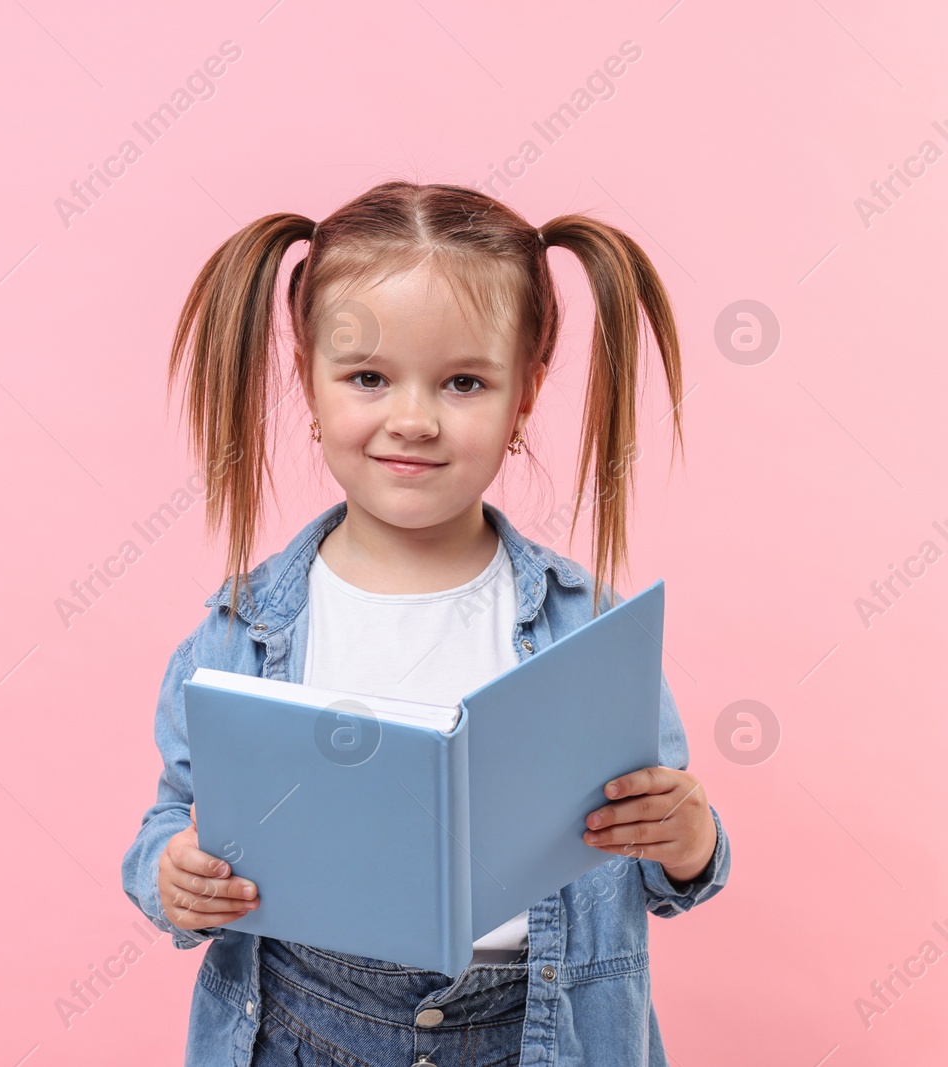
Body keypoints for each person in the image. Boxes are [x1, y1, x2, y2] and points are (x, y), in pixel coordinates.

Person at [120, 181, 731, 1067]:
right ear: (309, 382)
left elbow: (664, 846)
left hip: (535, 1029)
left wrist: (688, 838)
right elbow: (174, 816)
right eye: (368, 377)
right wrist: (172, 875)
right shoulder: (243, 632)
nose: (413, 419)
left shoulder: (584, 630)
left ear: (525, 395)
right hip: (301, 1025)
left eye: (464, 382)